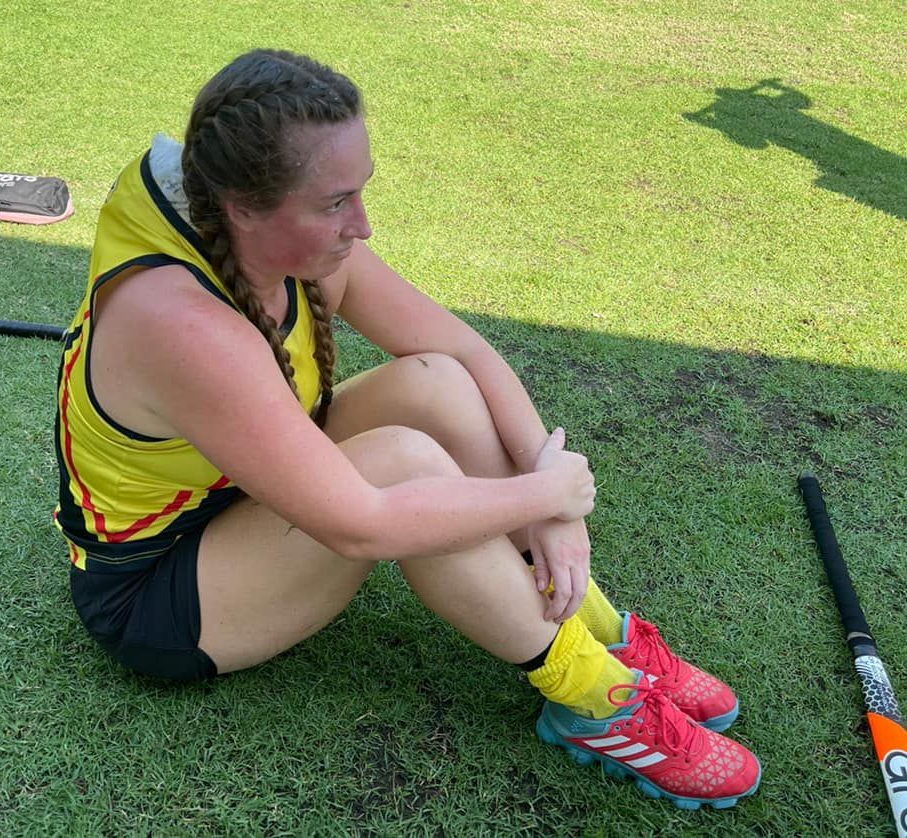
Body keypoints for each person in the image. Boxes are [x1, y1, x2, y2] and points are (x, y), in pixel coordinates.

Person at [54, 48, 761, 810]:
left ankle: (599, 627)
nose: (362, 224)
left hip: (238, 492)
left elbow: (460, 347)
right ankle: (596, 698)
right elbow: (364, 526)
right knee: (398, 464)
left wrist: (547, 501)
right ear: (242, 206)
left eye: (359, 192)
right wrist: (539, 494)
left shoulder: (282, 244)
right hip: (163, 593)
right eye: (334, 203)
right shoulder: (182, 325)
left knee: (437, 385)